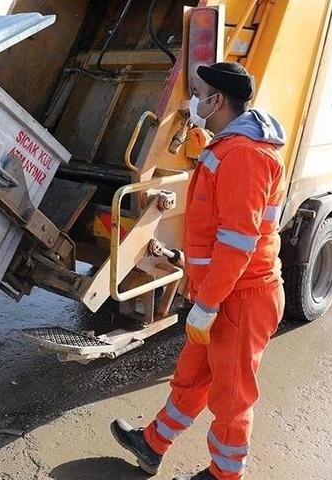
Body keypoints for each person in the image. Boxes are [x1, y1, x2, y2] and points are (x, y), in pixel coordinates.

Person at [110, 62, 288, 480]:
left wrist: (207, 303)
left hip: (241, 298)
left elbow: (238, 242)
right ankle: (152, 444)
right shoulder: (229, 147)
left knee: (231, 397)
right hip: (223, 294)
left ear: (218, 100)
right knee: (192, 378)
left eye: (199, 91)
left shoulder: (244, 154)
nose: (194, 98)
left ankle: (225, 474)